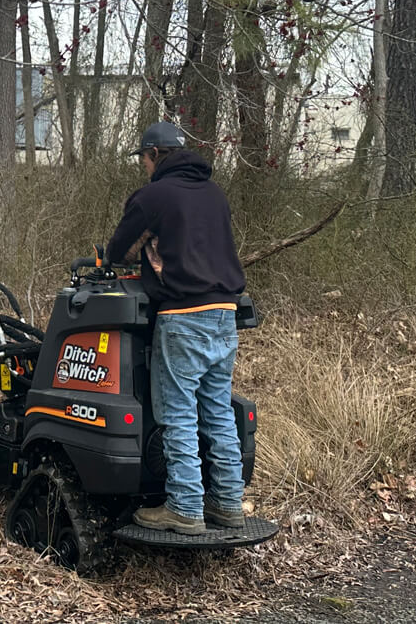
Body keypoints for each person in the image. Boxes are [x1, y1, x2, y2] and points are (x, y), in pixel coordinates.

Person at [105, 121, 247, 535]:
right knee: (218, 413)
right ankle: (228, 503)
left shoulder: (154, 196)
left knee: (179, 414)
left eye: (144, 160)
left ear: (152, 155)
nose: (144, 168)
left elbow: (119, 251)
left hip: (183, 315)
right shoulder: (215, 194)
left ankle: (184, 507)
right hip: (226, 312)